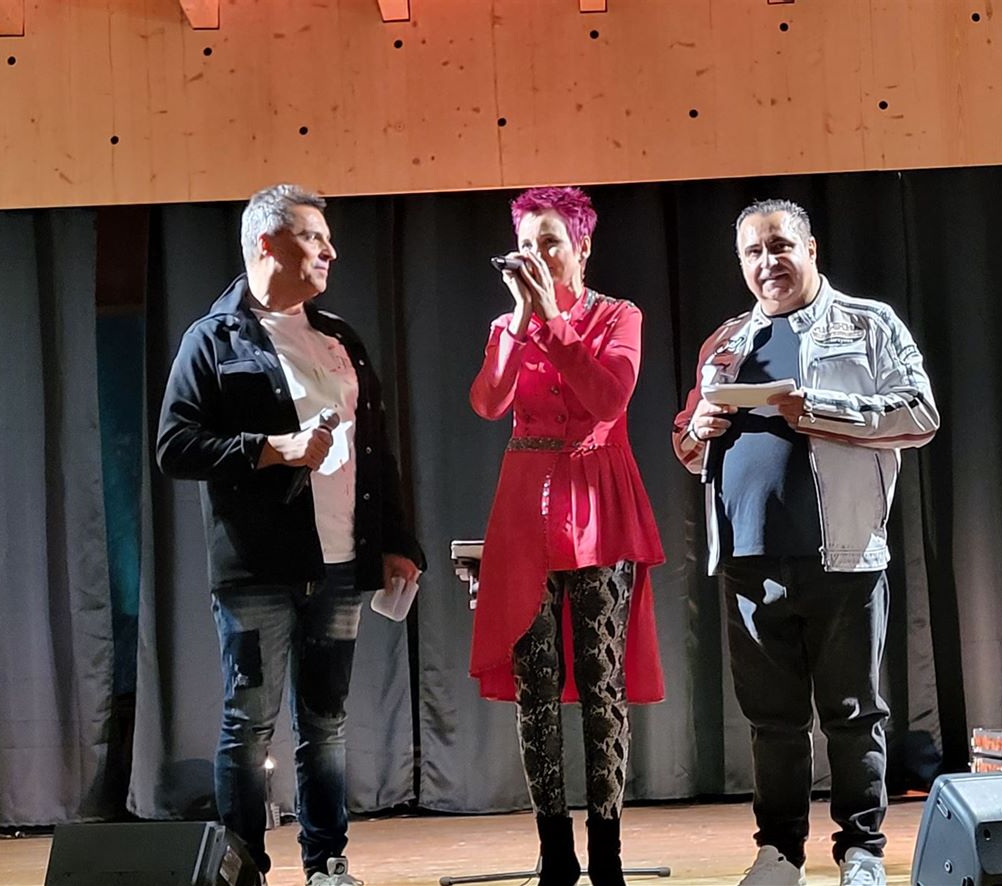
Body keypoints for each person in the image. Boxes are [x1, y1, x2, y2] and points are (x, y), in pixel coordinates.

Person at [157, 183, 426, 886]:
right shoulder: (212, 339)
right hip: (257, 567)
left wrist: (397, 540)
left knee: (326, 722)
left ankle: (326, 863)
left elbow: (377, 451)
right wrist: (269, 449)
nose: (330, 250)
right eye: (313, 237)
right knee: (249, 723)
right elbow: (174, 446)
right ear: (266, 243)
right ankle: (243, 868)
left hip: (339, 561)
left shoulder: (340, 337)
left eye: (328, 239)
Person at [670, 199, 938, 886]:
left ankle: (861, 850)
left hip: (841, 554)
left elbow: (920, 414)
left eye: (780, 246)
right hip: (748, 558)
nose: (768, 263)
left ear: (810, 248)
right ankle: (779, 853)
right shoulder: (726, 341)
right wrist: (698, 430)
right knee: (773, 721)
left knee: (853, 714)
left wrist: (815, 409)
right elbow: (687, 450)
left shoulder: (868, 324)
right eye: (754, 253)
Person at [469, 186, 665, 886]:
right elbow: (488, 401)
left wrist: (553, 321)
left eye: (549, 242)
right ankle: (556, 853)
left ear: (582, 246)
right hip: (525, 504)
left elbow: (609, 397)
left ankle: (606, 853)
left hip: (597, 498)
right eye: (525, 244)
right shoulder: (508, 324)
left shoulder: (619, 316)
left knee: (602, 680)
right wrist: (523, 322)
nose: (536, 255)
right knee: (537, 684)